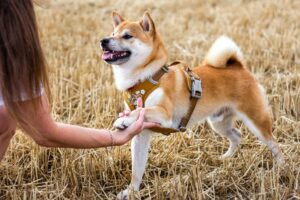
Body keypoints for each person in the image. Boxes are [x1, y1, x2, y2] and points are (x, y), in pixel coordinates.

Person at [0, 0, 158, 161]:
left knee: (6, 118)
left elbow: (45, 132)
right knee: (5, 119)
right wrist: (116, 137)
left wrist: (116, 137)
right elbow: (45, 133)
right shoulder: (17, 54)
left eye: (126, 37)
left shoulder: (14, 62)